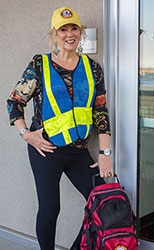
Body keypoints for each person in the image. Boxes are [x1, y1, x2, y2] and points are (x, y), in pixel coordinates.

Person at [7, 6, 113, 250]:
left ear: (80, 32)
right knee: (50, 207)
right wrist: (27, 135)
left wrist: (105, 154)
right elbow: (15, 101)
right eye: (62, 29)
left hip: (78, 151)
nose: (69, 34)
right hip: (46, 149)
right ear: (54, 35)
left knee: (100, 201)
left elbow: (100, 110)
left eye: (73, 28)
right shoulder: (40, 64)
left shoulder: (92, 67)